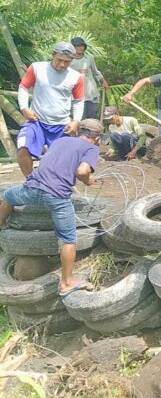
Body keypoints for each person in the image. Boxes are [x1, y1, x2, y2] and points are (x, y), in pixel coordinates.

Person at [0, 119, 104, 296]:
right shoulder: (91, 148)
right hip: (57, 196)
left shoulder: (61, 140)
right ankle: (67, 283)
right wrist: (88, 181)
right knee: (69, 239)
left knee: (8, 196)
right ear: (97, 137)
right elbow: (82, 171)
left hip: (32, 189)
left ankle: (1, 223)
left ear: (79, 131)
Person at [16, 41, 85, 177]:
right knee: (23, 146)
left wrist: (76, 121)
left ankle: (55, 186)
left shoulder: (76, 77)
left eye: (67, 62)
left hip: (62, 125)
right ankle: (31, 181)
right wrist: (24, 108)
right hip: (37, 121)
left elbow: (78, 101)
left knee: (64, 160)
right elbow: (23, 87)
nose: (62, 65)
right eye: (59, 60)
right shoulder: (37, 68)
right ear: (53, 54)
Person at [70, 37, 109, 119]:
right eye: (78, 46)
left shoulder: (89, 58)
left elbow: (96, 72)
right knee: (79, 119)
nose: (81, 48)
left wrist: (103, 81)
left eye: (82, 46)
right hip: (76, 95)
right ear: (73, 47)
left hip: (90, 94)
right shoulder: (69, 60)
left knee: (92, 118)